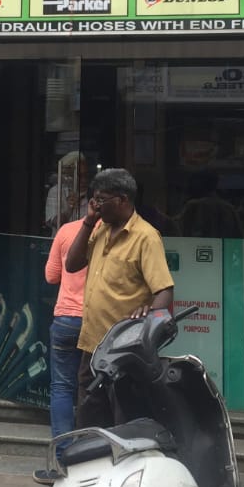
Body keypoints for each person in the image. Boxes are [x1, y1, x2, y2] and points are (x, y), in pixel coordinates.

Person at [64, 167, 174, 430]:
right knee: (89, 420)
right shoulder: (100, 229)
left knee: (123, 420)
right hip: (92, 346)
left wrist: (146, 322)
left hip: (124, 352)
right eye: (94, 199)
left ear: (123, 200)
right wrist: (88, 222)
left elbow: (164, 291)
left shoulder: (146, 237)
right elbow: (72, 264)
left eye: (101, 200)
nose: (95, 205)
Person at [34, 208, 89, 485]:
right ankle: (93, 461)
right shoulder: (114, 233)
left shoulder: (67, 231)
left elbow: (51, 276)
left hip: (67, 318)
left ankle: (64, 463)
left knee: (62, 388)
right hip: (99, 321)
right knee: (94, 389)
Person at [176, 168, 244, 241]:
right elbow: (239, 236)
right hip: (223, 247)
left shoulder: (193, 205)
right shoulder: (228, 208)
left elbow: (178, 231)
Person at [44, 151, 90, 233]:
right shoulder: (57, 191)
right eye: (79, 176)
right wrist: (70, 208)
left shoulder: (93, 193)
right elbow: (56, 223)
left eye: (86, 175)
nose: (84, 180)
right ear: (68, 176)